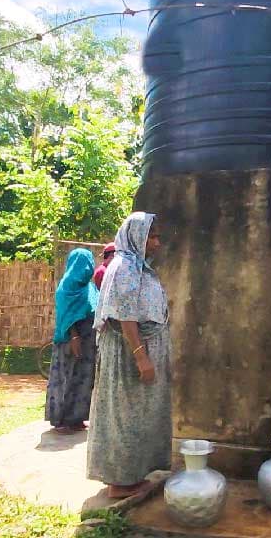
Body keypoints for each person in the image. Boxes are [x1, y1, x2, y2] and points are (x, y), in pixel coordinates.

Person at [87, 212, 170, 499]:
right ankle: (120, 482)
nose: (158, 243)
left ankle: (132, 475)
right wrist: (141, 357)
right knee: (125, 416)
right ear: (137, 237)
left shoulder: (138, 266)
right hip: (128, 356)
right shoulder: (125, 268)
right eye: (153, 236)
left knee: (137, 416)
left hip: (138, 351)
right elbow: (125, 317)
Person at [45, 248, 99, 434]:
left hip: (88, 342)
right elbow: (65, 313)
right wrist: (74, 336)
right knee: (66, 378)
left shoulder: (89, 287)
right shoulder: (67, 287)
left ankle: (77, 418)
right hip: (71, 340)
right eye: (86, 262)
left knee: (83, 380)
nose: (90, 266)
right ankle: (61, 418)